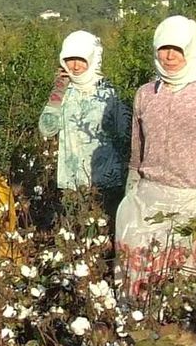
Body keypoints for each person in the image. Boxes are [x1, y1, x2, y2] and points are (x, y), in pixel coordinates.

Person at [115, 15, 196, 297]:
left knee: (185, 281)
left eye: (177, 49)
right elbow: (137, 151)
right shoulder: (145, 95)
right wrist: (130, 191)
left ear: (190, 50)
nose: (169, 56)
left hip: (194, 198)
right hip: (149, 196)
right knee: (140, 274)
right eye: (163, 48)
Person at [38, 30, 130, 219]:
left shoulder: (110, 92)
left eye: (81, 59)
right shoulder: (65, 91)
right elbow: (47, 129)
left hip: (107, 184)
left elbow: (125, 136)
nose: (76, 66)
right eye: (70, 59)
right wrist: (58, 91)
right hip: (71, 183)